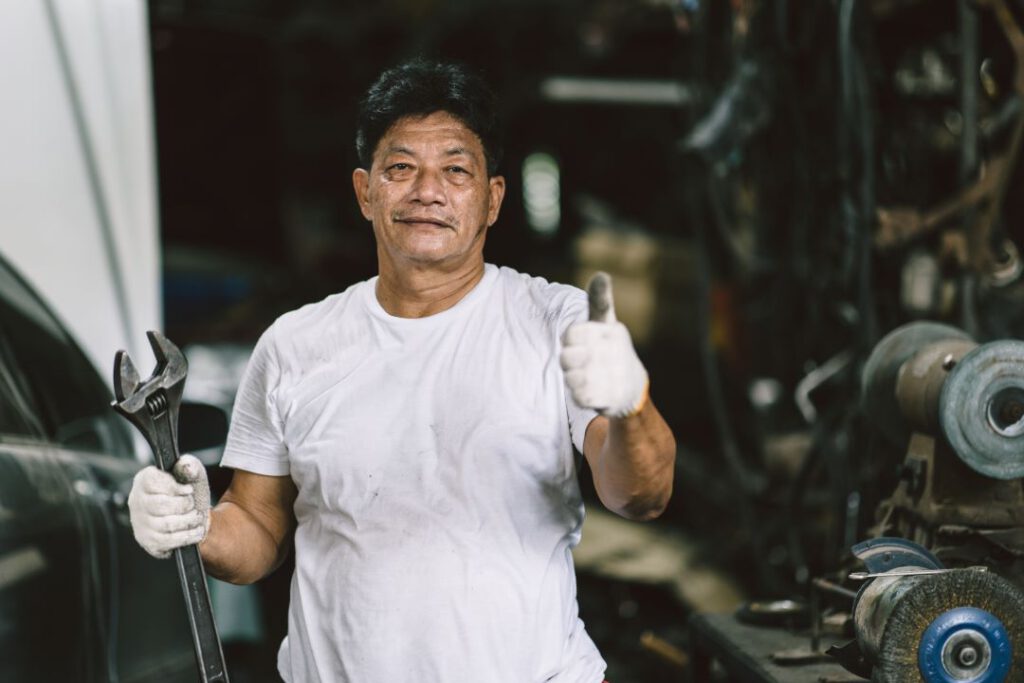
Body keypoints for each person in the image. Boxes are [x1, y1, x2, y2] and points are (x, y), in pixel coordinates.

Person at [128, 58, 676, 682]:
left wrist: (630, 408)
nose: (427, 191)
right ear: (365, 192)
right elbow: (256, 531)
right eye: (400, 169)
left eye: (455, 170)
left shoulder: (557, 323)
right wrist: (196, 526)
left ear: (493, 199)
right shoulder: (294, 345)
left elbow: (639, 495)